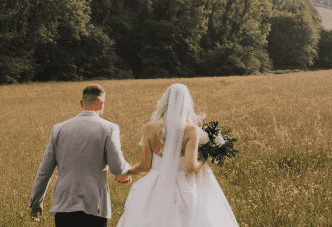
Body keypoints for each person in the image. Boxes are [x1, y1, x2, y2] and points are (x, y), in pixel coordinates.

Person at [115, 84, 239, 227]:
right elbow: (191, 167)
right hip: (183, 185)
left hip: (155, 184)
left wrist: (126, 172)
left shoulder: (150, 127)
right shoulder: (190, 130)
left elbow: (145, 165)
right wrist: (204, 157)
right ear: (186, 104)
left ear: (164, 102)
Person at [28, 84, 132, 227]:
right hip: (95, 206)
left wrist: (36, 203)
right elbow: (117, 168)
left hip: (64, 205)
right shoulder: (109, 128)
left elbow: (44, 171)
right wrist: (127, 169)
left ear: (81, 103)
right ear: (102, 103)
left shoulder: (58, 129)